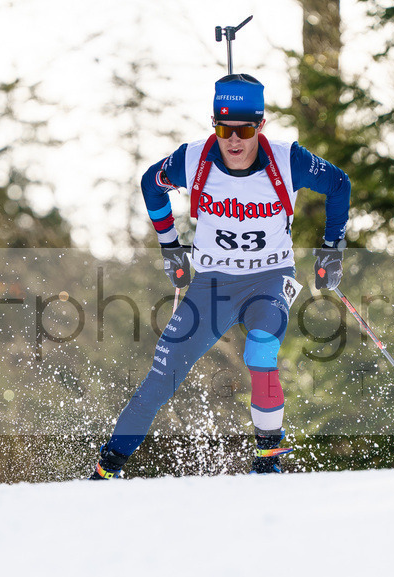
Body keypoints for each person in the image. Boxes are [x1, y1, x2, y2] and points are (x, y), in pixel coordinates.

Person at [89, 73, 350, 479]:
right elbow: (150, 184)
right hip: (212, 284)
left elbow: (338, 183)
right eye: (224, 129)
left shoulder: (289, 159)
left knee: (260, 352)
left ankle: (268, 461)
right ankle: (107, 469)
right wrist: (170, 245)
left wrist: (332, 248)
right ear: (215, 124)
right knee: (161, 378)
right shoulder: (192, 158)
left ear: (261, 126)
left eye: (245, 129)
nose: (234, 141)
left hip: (269, 278)